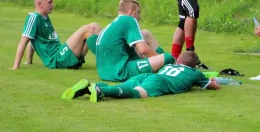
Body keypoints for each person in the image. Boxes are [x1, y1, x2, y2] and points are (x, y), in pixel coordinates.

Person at [62, 51, 220, 102]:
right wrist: (213, 82)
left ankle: (90, 87)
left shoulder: (170, 65)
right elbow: (212, 86)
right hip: (159, 82)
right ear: (193, 66)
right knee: (136, 94)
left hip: (147, 75)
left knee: (122, 87)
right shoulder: (196, 74)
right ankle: (100, 90)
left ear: (179, 60)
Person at [10, 0, 100, 70]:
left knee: (94, 25)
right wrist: (16, 66)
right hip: (56, 59)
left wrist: (29, 61)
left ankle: (110, 56)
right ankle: (107, 60)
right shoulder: (33, 17)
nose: (53, 4)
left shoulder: (44, 17)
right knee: (87, 29)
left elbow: (32, 40)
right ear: (39, 4)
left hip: (61, 54)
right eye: (50, 2)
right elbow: (24, 41)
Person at [95, 0, 175, 82]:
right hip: (120, 72)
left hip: (104, 72)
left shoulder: (114, 23)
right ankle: (168, 67)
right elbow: (143, 49)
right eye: (138, 12)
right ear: (132, 11)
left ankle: (162, 62)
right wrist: (161, 59)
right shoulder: (129, 20)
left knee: (145, 34)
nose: (139, 16)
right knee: (168, 58)